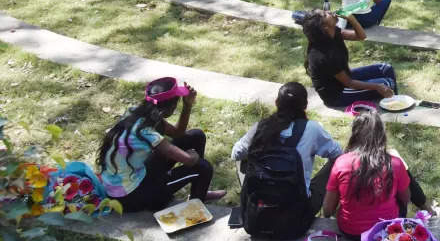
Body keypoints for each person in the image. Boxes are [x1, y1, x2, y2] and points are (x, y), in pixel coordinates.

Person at [96, 78, 225, 211]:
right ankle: (194, 209)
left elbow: (178, 132)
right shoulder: (146, 132)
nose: (176, 107)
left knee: (196, 136)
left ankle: (199, 192)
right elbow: (189, 160)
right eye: (177, 104)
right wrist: (193, 156)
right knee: (203, 167)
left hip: (134, 176)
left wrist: (187, 105)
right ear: (169, 108)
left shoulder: (137, 113)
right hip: (129, 197)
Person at [231, 82, 342, 216]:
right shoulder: (312, 128)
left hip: (261, 210)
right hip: (297, 214)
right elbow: (338, 153)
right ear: (305, 106)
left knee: (243, 158)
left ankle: (251, 200)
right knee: (337, 163)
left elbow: (236, 153)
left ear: (276, 102)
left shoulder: (261, 127)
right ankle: (329, 207)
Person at [322, 109, 429, 237]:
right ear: (382, 136)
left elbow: (327, 210)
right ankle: (427, 207)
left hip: (349, 230)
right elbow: (405, 198)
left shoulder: (341, 163)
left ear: (354, 135)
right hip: (386, 230)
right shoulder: (394, 163)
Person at [302, 9, 396, 108]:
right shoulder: (324, 55)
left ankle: (396, 101)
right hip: (338, 94)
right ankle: (393, 106)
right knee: (387, 83)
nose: (329, 11)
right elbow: (349, 83)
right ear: (324, 27)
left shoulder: (333, 32)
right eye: (325, 14)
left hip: (345, 79)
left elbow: (361, 36)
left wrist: (351, 18)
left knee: (386, 68)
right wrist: (378, 87)